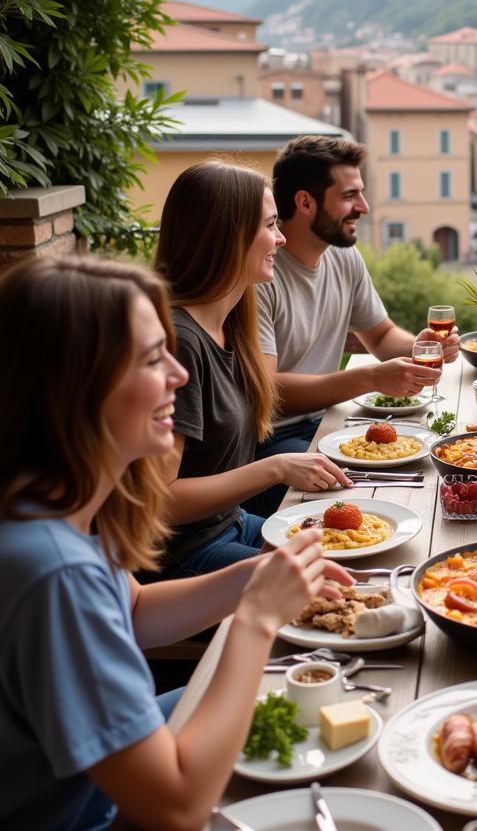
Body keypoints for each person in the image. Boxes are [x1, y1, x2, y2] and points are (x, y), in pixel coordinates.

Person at [0, 255, 354, 831]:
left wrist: (255, 579)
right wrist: (257, 620)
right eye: (150, 358)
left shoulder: (54, 508)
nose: (179, 373)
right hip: (94, 814)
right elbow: (175, 808)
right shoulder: (52, 571)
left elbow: (133, 611)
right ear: (74, 387)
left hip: (103, 784)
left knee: (303, 697)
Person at [155, 160, 351, 574]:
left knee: (362, 553)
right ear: (227, 236)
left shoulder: (231, 325)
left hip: (231, 524)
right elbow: (162, 500)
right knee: (336, 593)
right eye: (269, 226)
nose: (281, 239)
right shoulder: (179, 343)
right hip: (184, 553)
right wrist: (275, 467)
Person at [253, 136, 458, 513]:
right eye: (350, 196)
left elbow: (380, 335)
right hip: (273, 444)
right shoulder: (261, 273)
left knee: (431, 460)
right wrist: (367, 379)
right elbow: (265, 391)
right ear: (305, 202)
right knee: (373, 499)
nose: (363, 207)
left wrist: (422, 346)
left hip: (329, 423)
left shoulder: (343, 258)